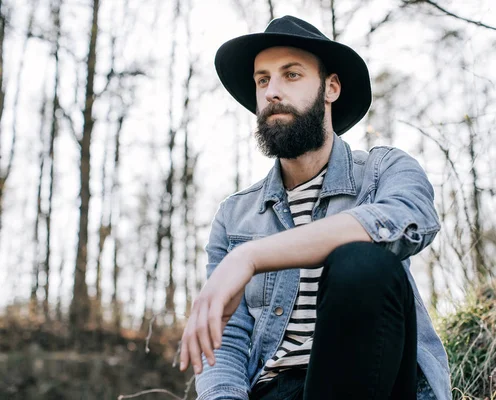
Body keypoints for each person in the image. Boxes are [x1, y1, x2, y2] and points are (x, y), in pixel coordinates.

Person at [179, 15, 451, 400]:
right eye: (263, 79)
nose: (272, 91)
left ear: (331, 88)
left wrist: (252, 257)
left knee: (362, 262)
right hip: (272, 390)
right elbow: (226, 339)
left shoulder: (383, 172)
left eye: (291, 75)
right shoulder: (234, 216)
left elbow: (407, 220)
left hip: (375, 381)